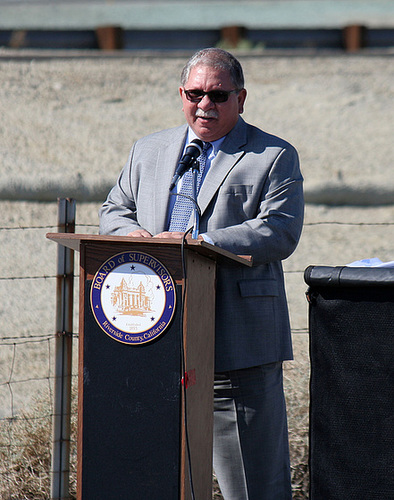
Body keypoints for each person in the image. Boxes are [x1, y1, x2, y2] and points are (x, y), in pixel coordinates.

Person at [99, 48, 304, 499]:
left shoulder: (273, 155)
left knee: (253, 486)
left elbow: (280, 231)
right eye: (195, 94)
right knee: (168, 480)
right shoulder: (147, 150)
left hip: (238, 348)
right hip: (156, 346)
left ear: (241, 98)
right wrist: (137, 236)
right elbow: (114, 210)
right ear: (181, 94)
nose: (205, 104)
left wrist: (200, 246)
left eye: (217, 95)